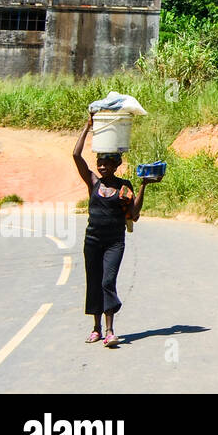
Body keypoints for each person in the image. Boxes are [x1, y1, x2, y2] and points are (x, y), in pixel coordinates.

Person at [73, 114, 154, 348]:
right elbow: (76, 156)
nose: (101, 166)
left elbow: (134, 214)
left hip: (114, 242)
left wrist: (143, 186)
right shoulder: (94, 183)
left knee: (108, 280)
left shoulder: (123, 187)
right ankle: (96, 328)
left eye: (106, 163)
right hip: (92, 240)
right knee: (94, 281)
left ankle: (110, 330)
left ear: (116, 165)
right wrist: (87, 128)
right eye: (99, 162)